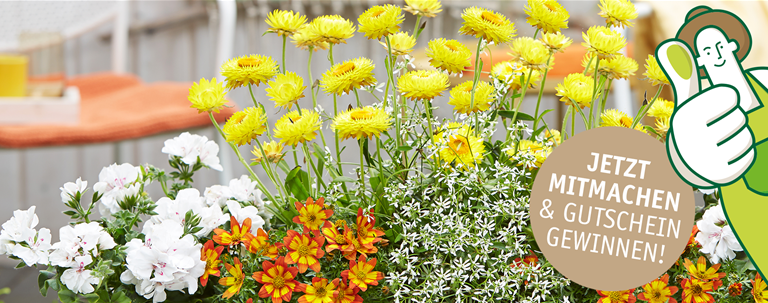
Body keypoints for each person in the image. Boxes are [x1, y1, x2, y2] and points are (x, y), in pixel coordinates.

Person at [657, 6, 768, 273]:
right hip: (748, 205)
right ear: (700, 62)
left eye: (718, 45)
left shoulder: (763, 79)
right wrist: (689, 158)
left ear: (732, 45)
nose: (714, 54)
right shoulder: (702, 111)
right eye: (705, 52)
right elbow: (691, 169)